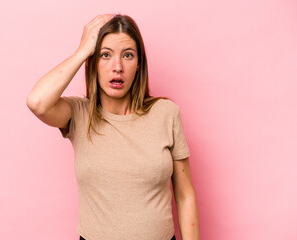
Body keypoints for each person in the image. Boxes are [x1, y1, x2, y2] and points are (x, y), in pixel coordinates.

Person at [26, 13, 200, 240]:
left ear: (139, 65)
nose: (117, 67)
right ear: (93, 63)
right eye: (105, 55)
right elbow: (37, 102)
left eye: (128, 55)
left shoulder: (166, 113)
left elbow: (185, 195)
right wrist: (81, 52)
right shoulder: (79, 114)